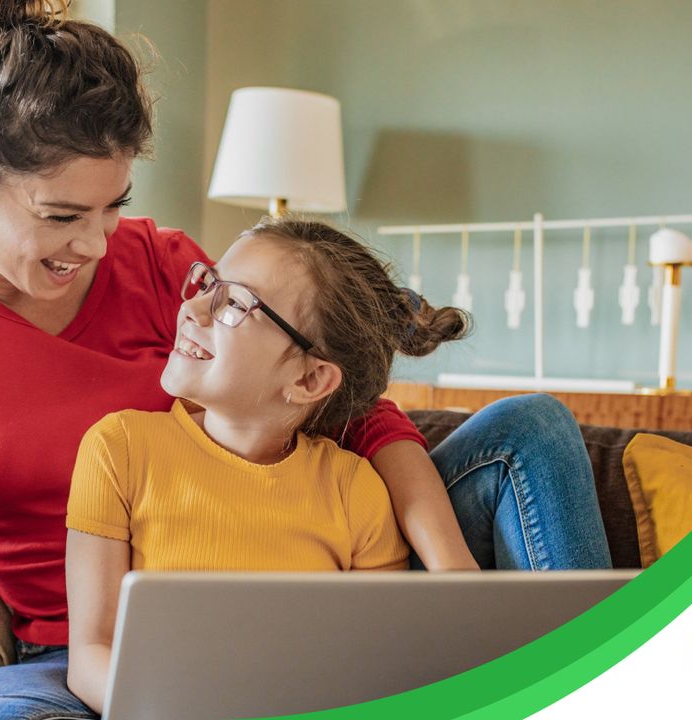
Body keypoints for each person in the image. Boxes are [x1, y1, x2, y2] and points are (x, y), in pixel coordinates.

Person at [0, 1, 607, 718]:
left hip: (284, 584)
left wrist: (451, 582)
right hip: (78, 649)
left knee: (528, 426)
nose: (95, 243)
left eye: (114, 205)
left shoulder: (163, 266)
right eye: (59, 216)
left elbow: (347, 410)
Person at [63, 217, 612, 714]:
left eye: (235, 304)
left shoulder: (354, 489)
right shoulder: (119, 448)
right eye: (207, 282)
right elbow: (91, 651)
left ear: (309, 381)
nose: (193, 308)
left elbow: (379, 666)